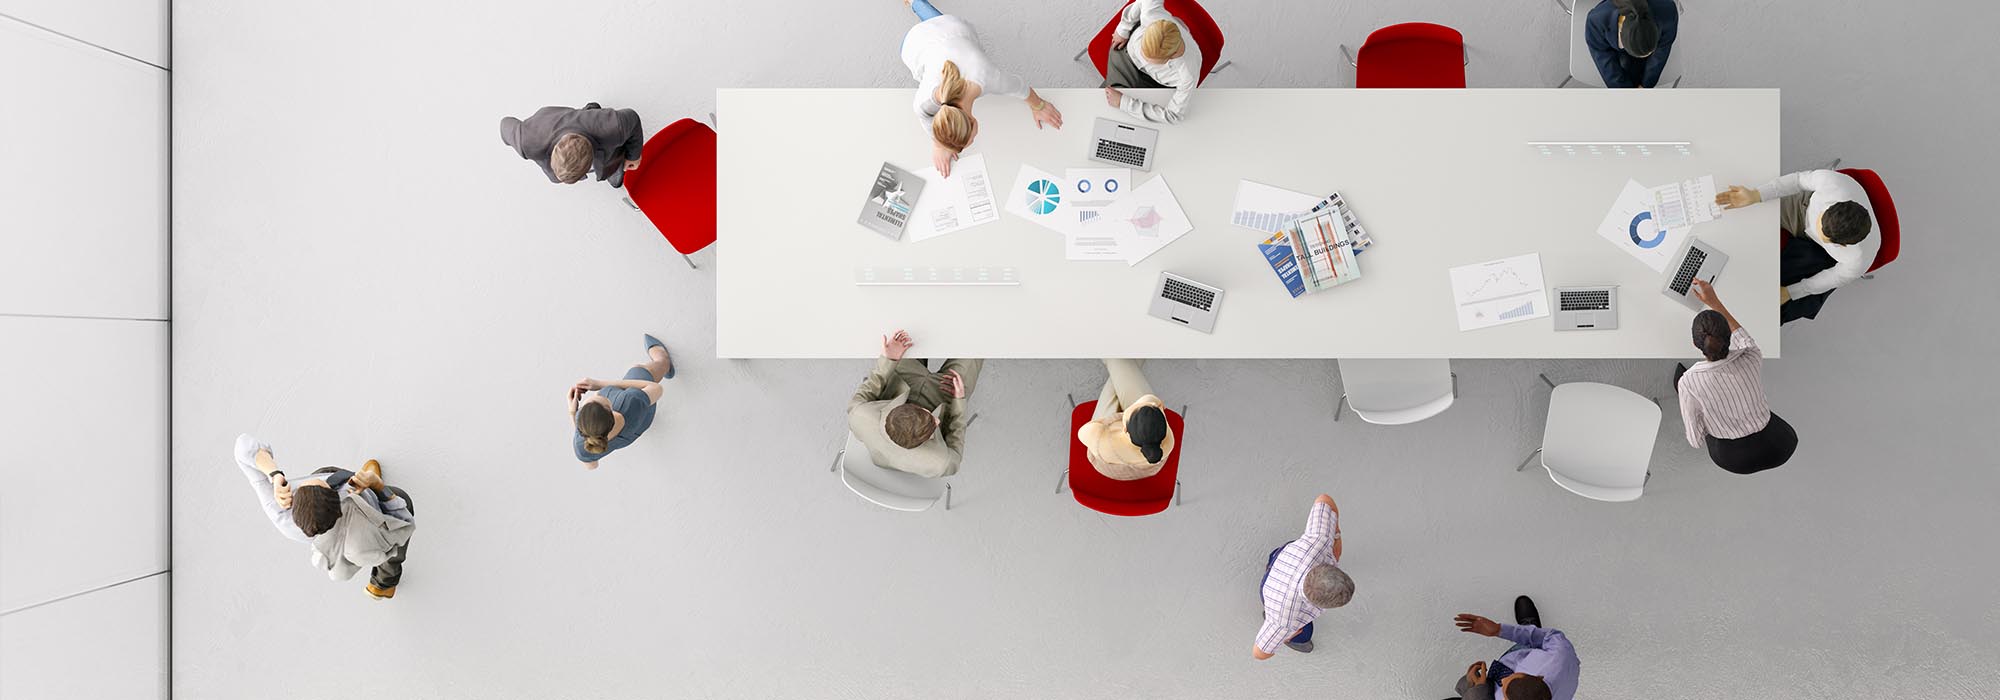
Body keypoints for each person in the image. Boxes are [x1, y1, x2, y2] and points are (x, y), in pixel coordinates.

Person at [231, 434, 415, 600]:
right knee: (398, 518)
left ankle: (360, 478)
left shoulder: (279, 510)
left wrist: (274, 475)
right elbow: (404, 524)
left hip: (340, 513)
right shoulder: (363, 525)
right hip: (367, 508)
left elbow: (242, 446)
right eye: (325, 485)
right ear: (339, 503)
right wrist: (377, 486)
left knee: (328, 471)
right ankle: (385, 583)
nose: (306, 482)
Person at [900, 0, 1063, 177]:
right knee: (936, 22)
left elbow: (1020, 87)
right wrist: (939, 144)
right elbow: (923, 115)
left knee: (939, 27)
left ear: (973, 123)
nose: (971, 141)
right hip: (930, 39)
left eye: (971, 140)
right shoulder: (931, 97)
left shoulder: (988, 77)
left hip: (943, 34)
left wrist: (1039, 106)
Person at [1715, 169, 1880, 323]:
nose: (1817, 229)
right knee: (1743, 215)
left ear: (1843, 245)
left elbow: (1833, 277)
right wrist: (1756, 195)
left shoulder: (1857, 260)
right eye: (1820, 222)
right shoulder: (1833, 183)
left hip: (1817, 248)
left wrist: (1790, 292)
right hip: (1802, 211)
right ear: (1831, 206)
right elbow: (1798, 181)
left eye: (1825, 236)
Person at [1674, 280, 1798, 474]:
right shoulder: (1751, 354)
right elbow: (1741, 334)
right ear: (1729, 339)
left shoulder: (1689, 382)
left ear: (1694, 343)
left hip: (1734, 459)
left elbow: (1695, 441)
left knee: (1686, 389)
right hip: (1780, 445)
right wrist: (1714, 302)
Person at [846, 329, 981, 477]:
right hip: (947, 396)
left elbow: (867, 390)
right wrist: (959, 402)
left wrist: (888, 360)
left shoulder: (860, 415)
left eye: (930, 416)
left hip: (901, 383)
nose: (937, 420)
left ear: (904, 407)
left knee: (907, 331)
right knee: (977, 344)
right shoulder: (942, 462)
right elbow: (955, 446)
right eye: (933, 425)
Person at [1254, 493, 1352, 659]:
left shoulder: (1319, 540)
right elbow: (1259, 653)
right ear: (1318, 606)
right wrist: (1288, 635)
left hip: (1280, 562)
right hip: (1274, 601)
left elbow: (1324, 499)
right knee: (1304, 635)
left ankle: (1270, 617)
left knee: (1275, 556)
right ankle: (1283, 630)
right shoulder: (1286, 621)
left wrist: (1335, 534)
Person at [570, 334, 675, 469]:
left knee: (633, 389)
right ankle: (663, 362)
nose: (588, 399)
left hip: (634, 428)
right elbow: (657, 389)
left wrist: (572, 411)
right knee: (639, 370)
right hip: (637, 410)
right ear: (610, 408)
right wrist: (600, 384)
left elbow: (591, 466)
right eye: (593, 400)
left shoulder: (584, 445)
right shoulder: (631, 401)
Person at [1449, 597, 1579, 700]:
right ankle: (1529, 627)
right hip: (1525, 653)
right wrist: (1499, 630)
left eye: (1505, 690)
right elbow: (1547, 636)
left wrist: (1477, 689)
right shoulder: (1560, 654)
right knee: (1530, 640)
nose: (1504, 679)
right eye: (1514, 677)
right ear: (1539, 677)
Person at [1101, 0, 1204, 124]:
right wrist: (1124, 27)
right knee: (1106, 100)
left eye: (1150, 59)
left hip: (1150, 80)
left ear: (1170, 57)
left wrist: (1124, 103)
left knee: (1109, 105)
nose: (1143, 56)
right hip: (1125, 51)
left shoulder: (1187, 75)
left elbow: (1173, 115)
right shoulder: (1152, 15)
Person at [499, 103, 645, 188]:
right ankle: (589, 110)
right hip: (552, 118)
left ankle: (591, 111)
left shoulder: (612, 126)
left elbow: (633, 118)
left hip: (591, 124)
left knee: (613, 158)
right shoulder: (526, 141)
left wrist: (634, 156)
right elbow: (505, 124)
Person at [1075, 359, 1174, 480]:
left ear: (1124, 428)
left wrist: (1117, 417)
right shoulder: (1168, 441)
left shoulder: (1103, 441)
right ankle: (1128, 358)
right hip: (1147, 466)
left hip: (1105, 460)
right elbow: (1151, 400)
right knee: (1122, 374)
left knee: (1117, 369)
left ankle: (1123, 354)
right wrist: (1132, 411)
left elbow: (1083, 432)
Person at [1584, 0, 1679, 88]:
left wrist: (1646, 85)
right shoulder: (1596, 21)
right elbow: (1603, 57)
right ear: (1620, 34)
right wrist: (1625, 92)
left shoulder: (1668, 11)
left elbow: (1662, 49)